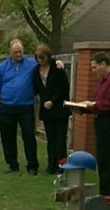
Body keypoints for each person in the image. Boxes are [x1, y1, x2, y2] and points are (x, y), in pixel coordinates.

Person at [80, 52, 110, 207]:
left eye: (95, 67)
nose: (94, 71)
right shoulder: (104, 81)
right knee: (103, 159)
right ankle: (104, 192)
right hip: (101, 121)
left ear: (103, 64)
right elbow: (101, 102)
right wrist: (87, 108)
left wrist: (94, 106)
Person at [0, 38, 39, 175]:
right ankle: (12, 164)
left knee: (29, 135)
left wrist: (58, 63)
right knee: (8, 137)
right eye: (15, 52)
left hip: (26, 107)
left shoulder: (32, 64)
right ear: (10, 52)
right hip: (6, 107)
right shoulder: (2, 67)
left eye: (20, 52)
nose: (19, 54)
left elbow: (45, 64)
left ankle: (32, 165)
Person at [33, 45, 71, 175]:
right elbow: (36, 89)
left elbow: (64, 87)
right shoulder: (36, 71)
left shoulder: (57, 68)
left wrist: (53, 101)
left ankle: (62, 166)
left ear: (48, 57)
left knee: (60, 139)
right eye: (38, 58)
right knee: (50, 139)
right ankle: (51, 165)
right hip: (47, 110)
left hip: (59, 109)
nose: (41, 61)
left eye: (43, 58)